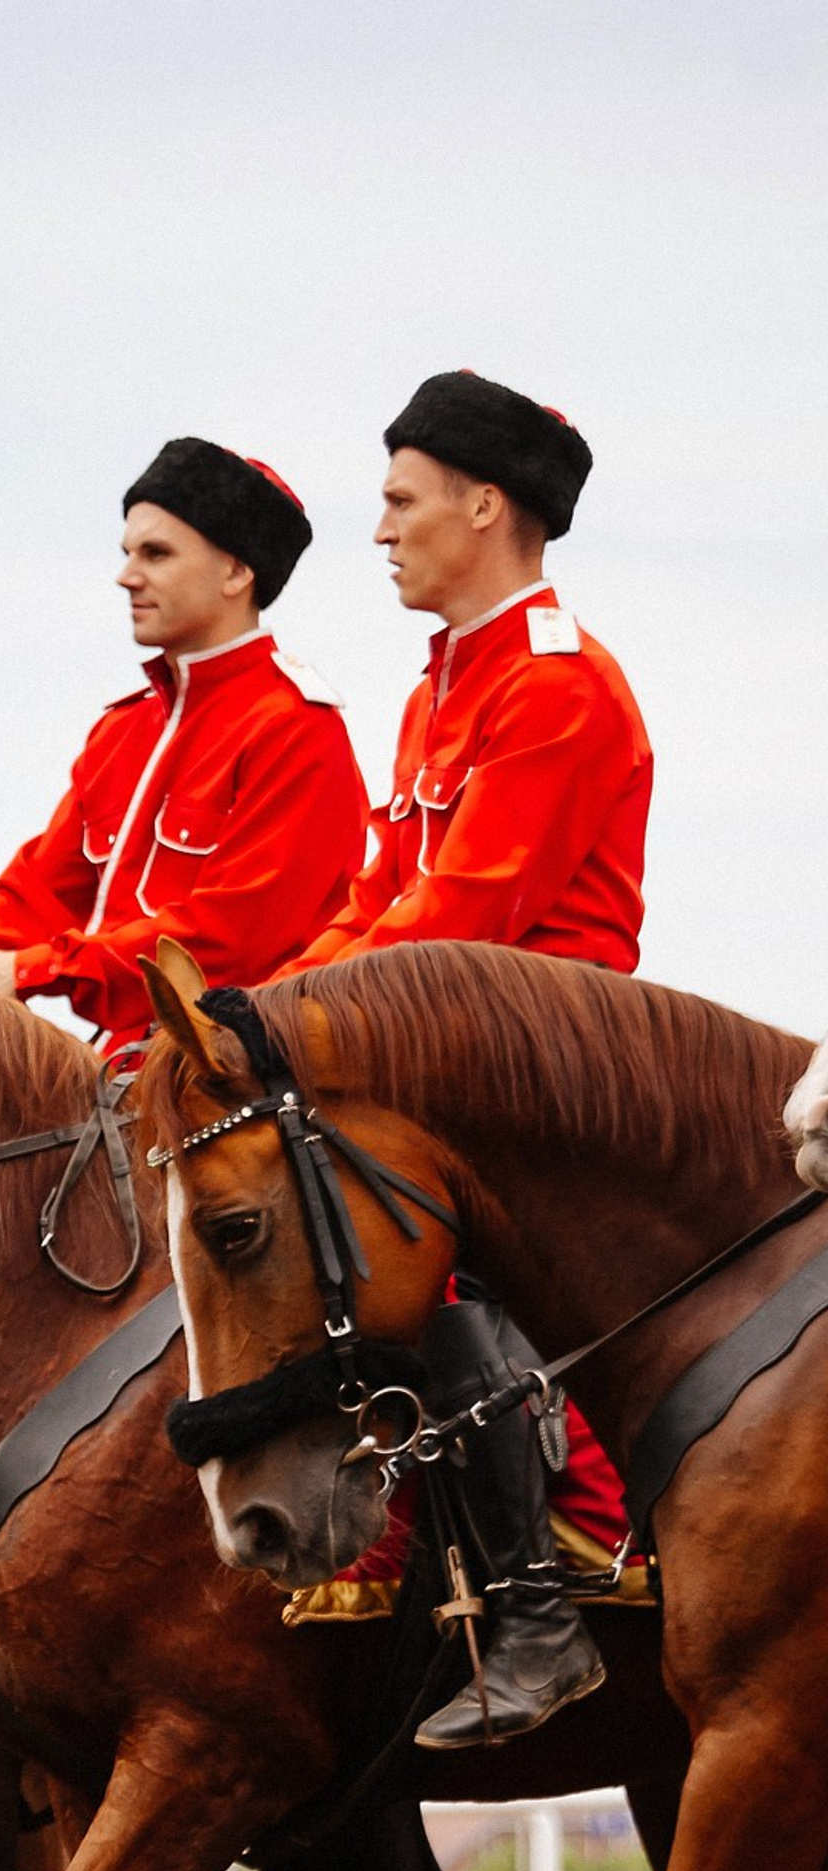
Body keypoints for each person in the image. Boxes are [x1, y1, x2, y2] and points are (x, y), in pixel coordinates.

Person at [300, 370, 652, 1750]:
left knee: (397, 1232)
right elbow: (372, 905)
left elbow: (461, 924)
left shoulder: (559, 684)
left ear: (483, 505)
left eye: (400, 500)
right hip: (443, 1051)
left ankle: (537, 1607)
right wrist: (256, 1005)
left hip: (543, 1074)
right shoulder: (441, 687)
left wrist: (298, 1012)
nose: (378, 529)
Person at [0, 440, 363, 1041]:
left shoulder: (296, 727)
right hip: (126, 1070)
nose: (126, 575)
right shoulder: (123, 730)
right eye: (128, 552)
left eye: (155, 554)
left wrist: (31, 969)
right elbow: (36, 899)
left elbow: (228, 939)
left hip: (240, 1080)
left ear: (237, 571)